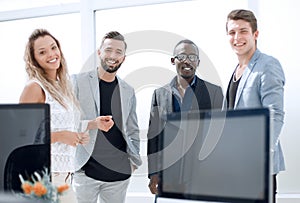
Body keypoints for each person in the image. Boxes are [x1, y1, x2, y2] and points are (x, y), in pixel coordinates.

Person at [19, 28, 90, 202]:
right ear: (34, 59)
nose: (51, 54)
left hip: (65, 176)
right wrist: (60, 136)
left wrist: (76, 136)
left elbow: (59, 126)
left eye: (53, 47)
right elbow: (21, 136)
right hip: (43, 177)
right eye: (42, 52)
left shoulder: (62, 87)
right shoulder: (34, 87)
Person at [71, 31, 142, 203]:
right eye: (108, 50)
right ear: (99, 52)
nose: (113, 56)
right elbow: (68, 124)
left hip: (119, 175)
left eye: (119, 52)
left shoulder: (128, 90)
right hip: (86, 172)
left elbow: (132, 130)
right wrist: (92, 124)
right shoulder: (77, 82)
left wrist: (132, 163)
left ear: (123, 58)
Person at [147, 39, 224, 195]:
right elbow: (153, 137)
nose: (187, 61)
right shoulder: (159, 94)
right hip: (168, 174)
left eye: (192, 57)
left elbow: (219, 136)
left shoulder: (214, 92)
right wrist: (153, 173)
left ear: (198, 62)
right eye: (181, 56)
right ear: (173, 60)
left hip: (203, 173)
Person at [224, 9, 285, 203]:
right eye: (232, 32)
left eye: (243, 31)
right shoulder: (235, 71)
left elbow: (275, 115)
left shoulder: (267, 65)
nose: (237, 37)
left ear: (255, 35)